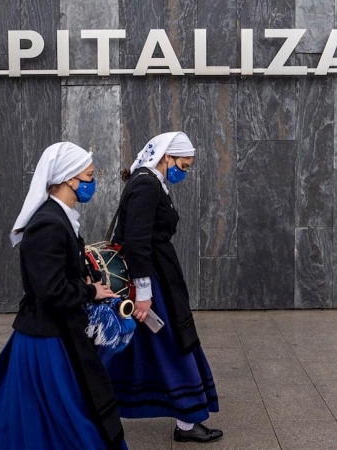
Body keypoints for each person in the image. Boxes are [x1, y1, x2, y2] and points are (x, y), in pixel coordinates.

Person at [0, 142, 127, 450]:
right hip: (47, 338)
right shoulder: (48, 223)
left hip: (51, 332)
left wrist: (84, 280)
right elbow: (50, 291)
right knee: (63, 415)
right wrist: (90, 290)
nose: (92, 183)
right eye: (89, 175)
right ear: (70, 179)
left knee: (45, 415)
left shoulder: (59, 218)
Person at [106, 132, 222, 443]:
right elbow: (137, 242)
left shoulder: (150, 181)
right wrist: (144, 294)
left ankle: (100, 409)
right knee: (172, 343)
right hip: (153, 281)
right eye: (183, 165)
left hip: (156, 276)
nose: (183, 171)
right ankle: (187, 420)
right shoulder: (146, 184)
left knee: (133, 347)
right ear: (166, 158)